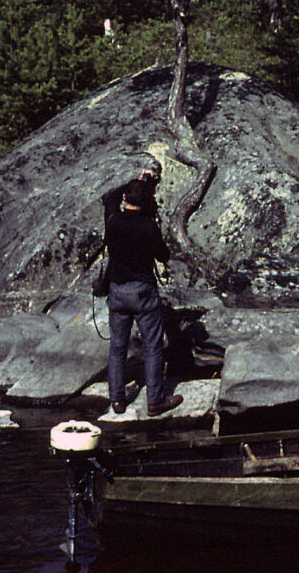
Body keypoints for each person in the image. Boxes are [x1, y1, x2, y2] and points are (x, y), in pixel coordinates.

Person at [103, 174, 182, 417]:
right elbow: (163, 257)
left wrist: (132, 180)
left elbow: (108, 198)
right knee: (152, 346)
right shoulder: (149, 227)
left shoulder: (113, 221)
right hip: (142, 292)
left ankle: (117, 401)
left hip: (117, 290)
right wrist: (146, 187)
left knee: (117, 347)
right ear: (146, 202)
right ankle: (155, 401)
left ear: (125, 198)